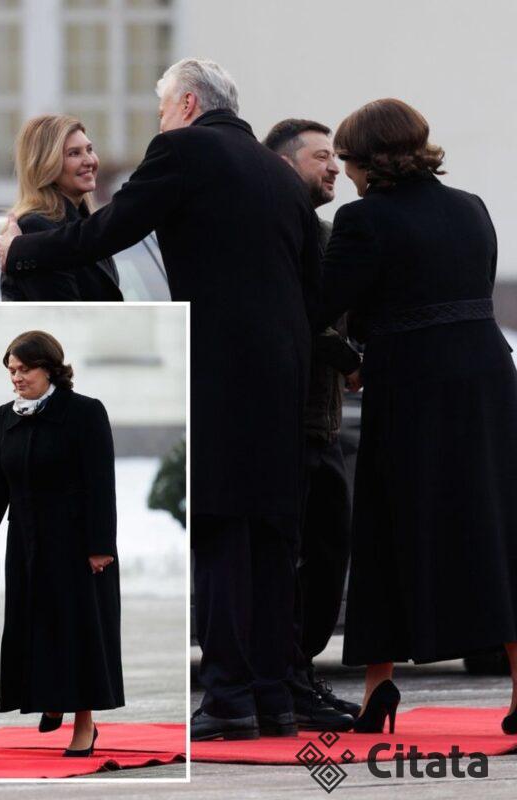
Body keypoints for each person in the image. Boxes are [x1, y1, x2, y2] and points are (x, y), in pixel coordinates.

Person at [0, 58, 320, 741]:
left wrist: (23, 251)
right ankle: (273, 698)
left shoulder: (184, 150)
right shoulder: (279, 173)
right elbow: (311, 287)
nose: (160, 120)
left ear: (189, 105)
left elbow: (107, 229)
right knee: (271, 536)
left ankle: (228, 698)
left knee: (220, 529)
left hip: (221, 373)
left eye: (163, 108)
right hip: (284, 375)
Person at [318, 99, 517, 735]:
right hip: (488, 381)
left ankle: (378, 688)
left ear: (368, 160)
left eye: (347, 160)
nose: (346, 174)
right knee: (495, 526)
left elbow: (322, 305)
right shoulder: (471, 207)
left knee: (386, 525)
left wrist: (350, 354)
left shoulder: (363, 218)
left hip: (412, 387)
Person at [0, 331, 122, 756]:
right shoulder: (6, 417)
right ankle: (51, 700)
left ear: (49, 368)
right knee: (36, 630)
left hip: (76, 547)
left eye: (25, 369)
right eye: (11, 370)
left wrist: (101, 545)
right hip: (27, 546)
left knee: (77, 633)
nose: (17, 377)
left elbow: (101, 483)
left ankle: (84, 723)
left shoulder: (84, 412)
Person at [263, 118, 362, 730]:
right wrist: (344, 354)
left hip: (324, 424)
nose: (334, 168)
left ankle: (299, 674)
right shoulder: (272, 234)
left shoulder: (326, 233)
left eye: (335, 158)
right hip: (284, 426)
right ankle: (288, 682)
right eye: (321, 157)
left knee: (327, 557)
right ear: (283, 164)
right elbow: (297, 317)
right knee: (292, 564)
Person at [4, 115, 122, 302]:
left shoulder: (88, 224)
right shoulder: (35, 228)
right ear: (46, 164)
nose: (89, 161)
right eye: (74, 153)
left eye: (89, 150)